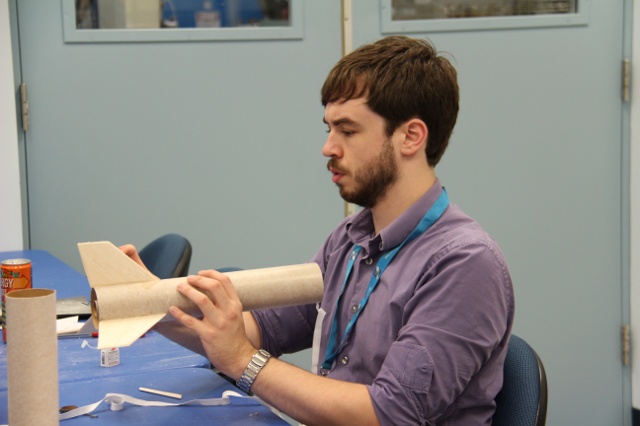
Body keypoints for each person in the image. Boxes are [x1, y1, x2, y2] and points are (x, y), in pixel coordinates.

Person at [121, 35, 514, 425]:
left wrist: (243, 360)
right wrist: (149, 307)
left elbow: (389, 414)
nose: (328, 147)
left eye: (348, 131)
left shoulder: (465, 264)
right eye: (329, 128)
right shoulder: (350, 238)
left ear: (410, 137)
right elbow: (261, 331)